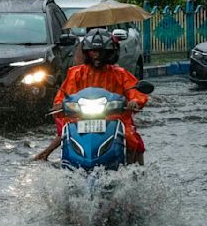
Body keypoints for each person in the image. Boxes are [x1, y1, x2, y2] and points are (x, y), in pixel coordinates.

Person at [34, 28, 149, 165]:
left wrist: (134, 101)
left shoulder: (120, 74)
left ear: (109, 52)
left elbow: (135, 92)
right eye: (93, 51)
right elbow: (64, 95)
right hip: (81, 117)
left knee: (132, 138)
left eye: (101, 51)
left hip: (114, 118)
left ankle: (135, 172)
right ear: (87, 52)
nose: (97, 55)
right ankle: (54, 158)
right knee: (66, 132)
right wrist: (60, 104)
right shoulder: (76, 73)